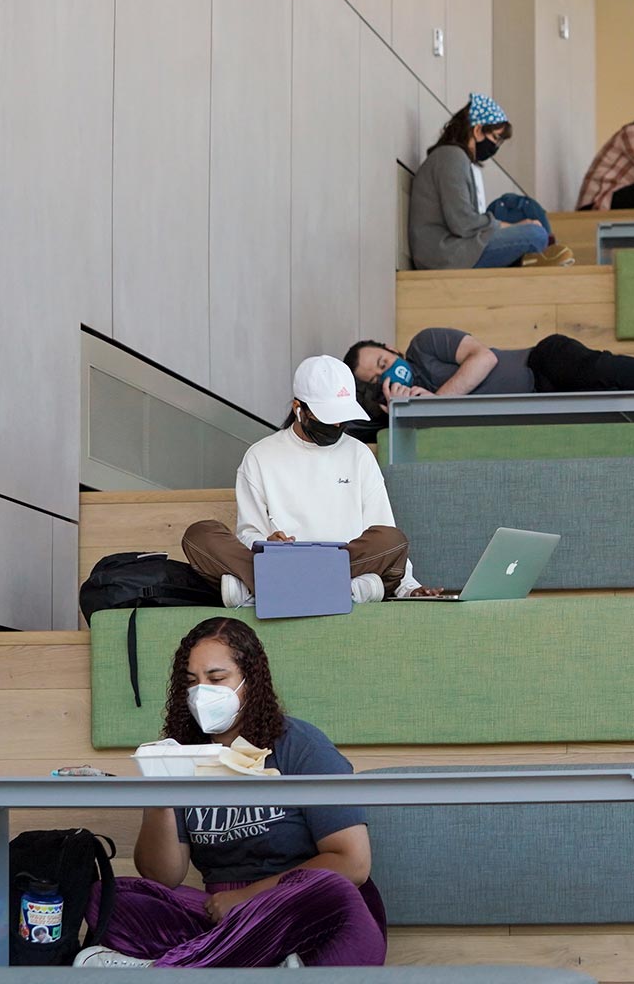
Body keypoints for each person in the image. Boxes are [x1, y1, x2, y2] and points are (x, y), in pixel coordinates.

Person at [71, 618, 386, 968]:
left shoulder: (302, 745)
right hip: (219, 911)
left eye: (217, 679)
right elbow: (164, 875)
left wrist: (249, 898)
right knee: (107, 898)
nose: (201, 693)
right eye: (191, 682)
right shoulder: (181, 754)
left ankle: (163, 969)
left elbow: (352, 862)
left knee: (331, 890)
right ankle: (254, 962)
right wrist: (160, 796)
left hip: (301, 907)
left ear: (251, 681)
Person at [180, 355, 443, 607]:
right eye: (327, 418)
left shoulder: (358, 454)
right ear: (299, 409)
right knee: (199, 535)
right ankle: (351, 590)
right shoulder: (260, 456)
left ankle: (260, 591)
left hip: (346, 562)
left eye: (341, 417)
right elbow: (249, 533)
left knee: (391, 539)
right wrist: (267, 544)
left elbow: (383, 529)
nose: (337, 424)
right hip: (283, 562)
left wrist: (409, 587)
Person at [408, 93, 575, 269]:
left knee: (516, 210)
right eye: (495, 138)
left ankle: (532, 259)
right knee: (536, 233)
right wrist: (510, 226)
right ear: (478, 130)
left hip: (454, 249)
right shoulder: (452, 156)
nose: (495, 147)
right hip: (447, 254)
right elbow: (463, 222)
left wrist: (508, 225)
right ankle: (535, 258)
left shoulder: (455, 158)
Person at [344, 329, 634, 410]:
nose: (386, 374)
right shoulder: (412, 404)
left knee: (604, 370)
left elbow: (484, 358)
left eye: (384, 363)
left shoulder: (424, 345)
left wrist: (436, 399)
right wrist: (409, 412)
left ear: (391, 349)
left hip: (542, 362)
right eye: (376, 379)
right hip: (539, 404)